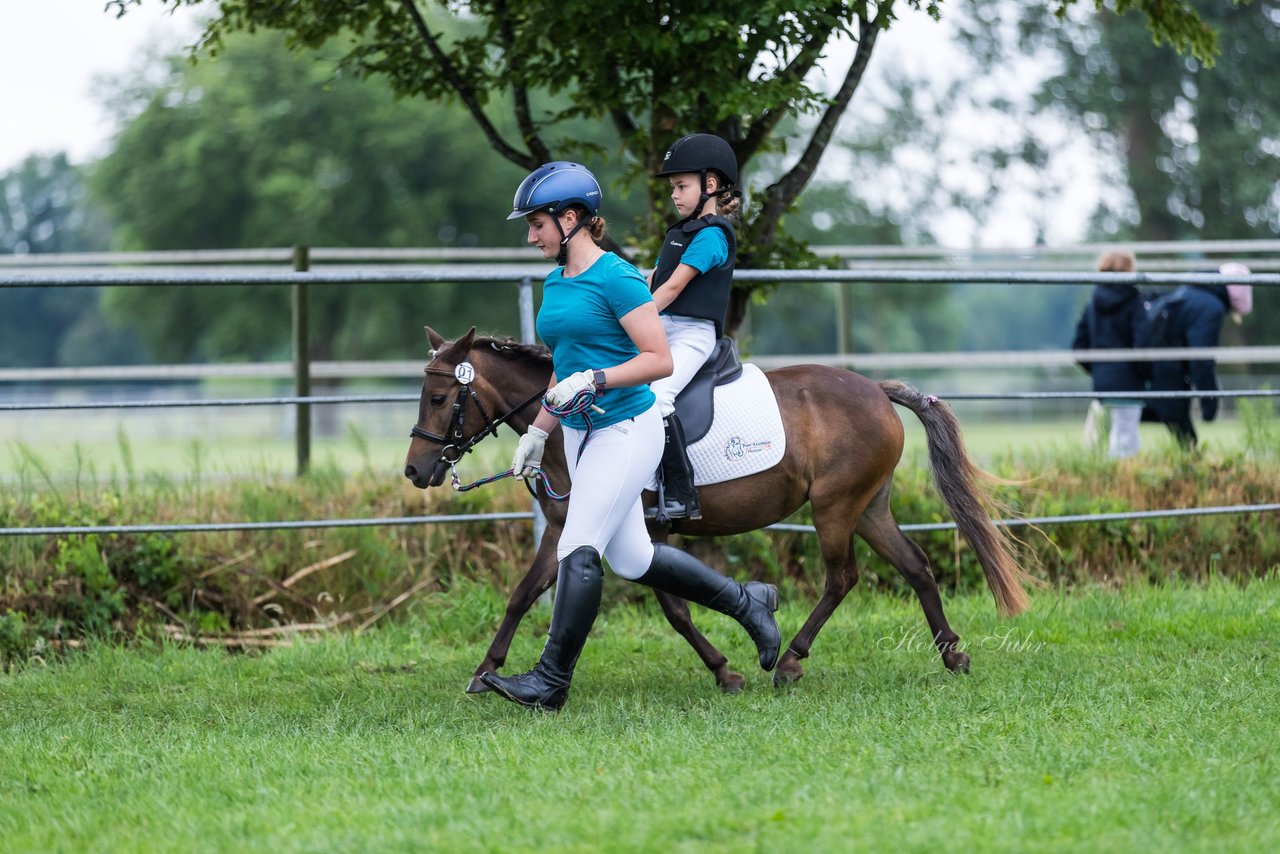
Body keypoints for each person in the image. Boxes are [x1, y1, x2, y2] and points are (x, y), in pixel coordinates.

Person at [480, 161, 780, 711]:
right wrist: (538, 430)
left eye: (537, 224)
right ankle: (747, 601)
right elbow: (564, 364)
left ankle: (550, 682)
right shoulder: (556, 280)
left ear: (570, 219)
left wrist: (596, 379)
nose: (530, 236)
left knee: (578, 546)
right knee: (633, 559)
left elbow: (659, 359)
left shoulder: (616, 277)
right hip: (577, 431)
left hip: (625, 428)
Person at [644, 133, 743, 520]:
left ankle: (682, 493)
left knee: (658, 397)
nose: (674, 194)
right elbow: (653, 278)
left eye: (681, 186)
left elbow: (672, 287)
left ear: (710, 186)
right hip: (664, 328)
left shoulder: (712, 236)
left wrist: (634, 318)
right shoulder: (678, 233)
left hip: (691, 334)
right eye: (673, 187)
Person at [1142, 262, 1254, 448]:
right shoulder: (1210, 307)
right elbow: (1201, 359)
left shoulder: (1190, 291)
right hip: (1166, 370)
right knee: (1184, 435)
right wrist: (1209, 400)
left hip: (1156, 365)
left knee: (1156, 414)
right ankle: (1189, 469)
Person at [1071, 251, 1146, 458]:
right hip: (1129, 383)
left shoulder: (1092, 303)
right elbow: (1143, 344)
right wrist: (1143, 373)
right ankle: (1123, 486)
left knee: (1097, 443)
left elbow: (1079, 346)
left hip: (1102, 384)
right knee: (1125, 441)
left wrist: (1098, 369)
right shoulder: (1134, 301)